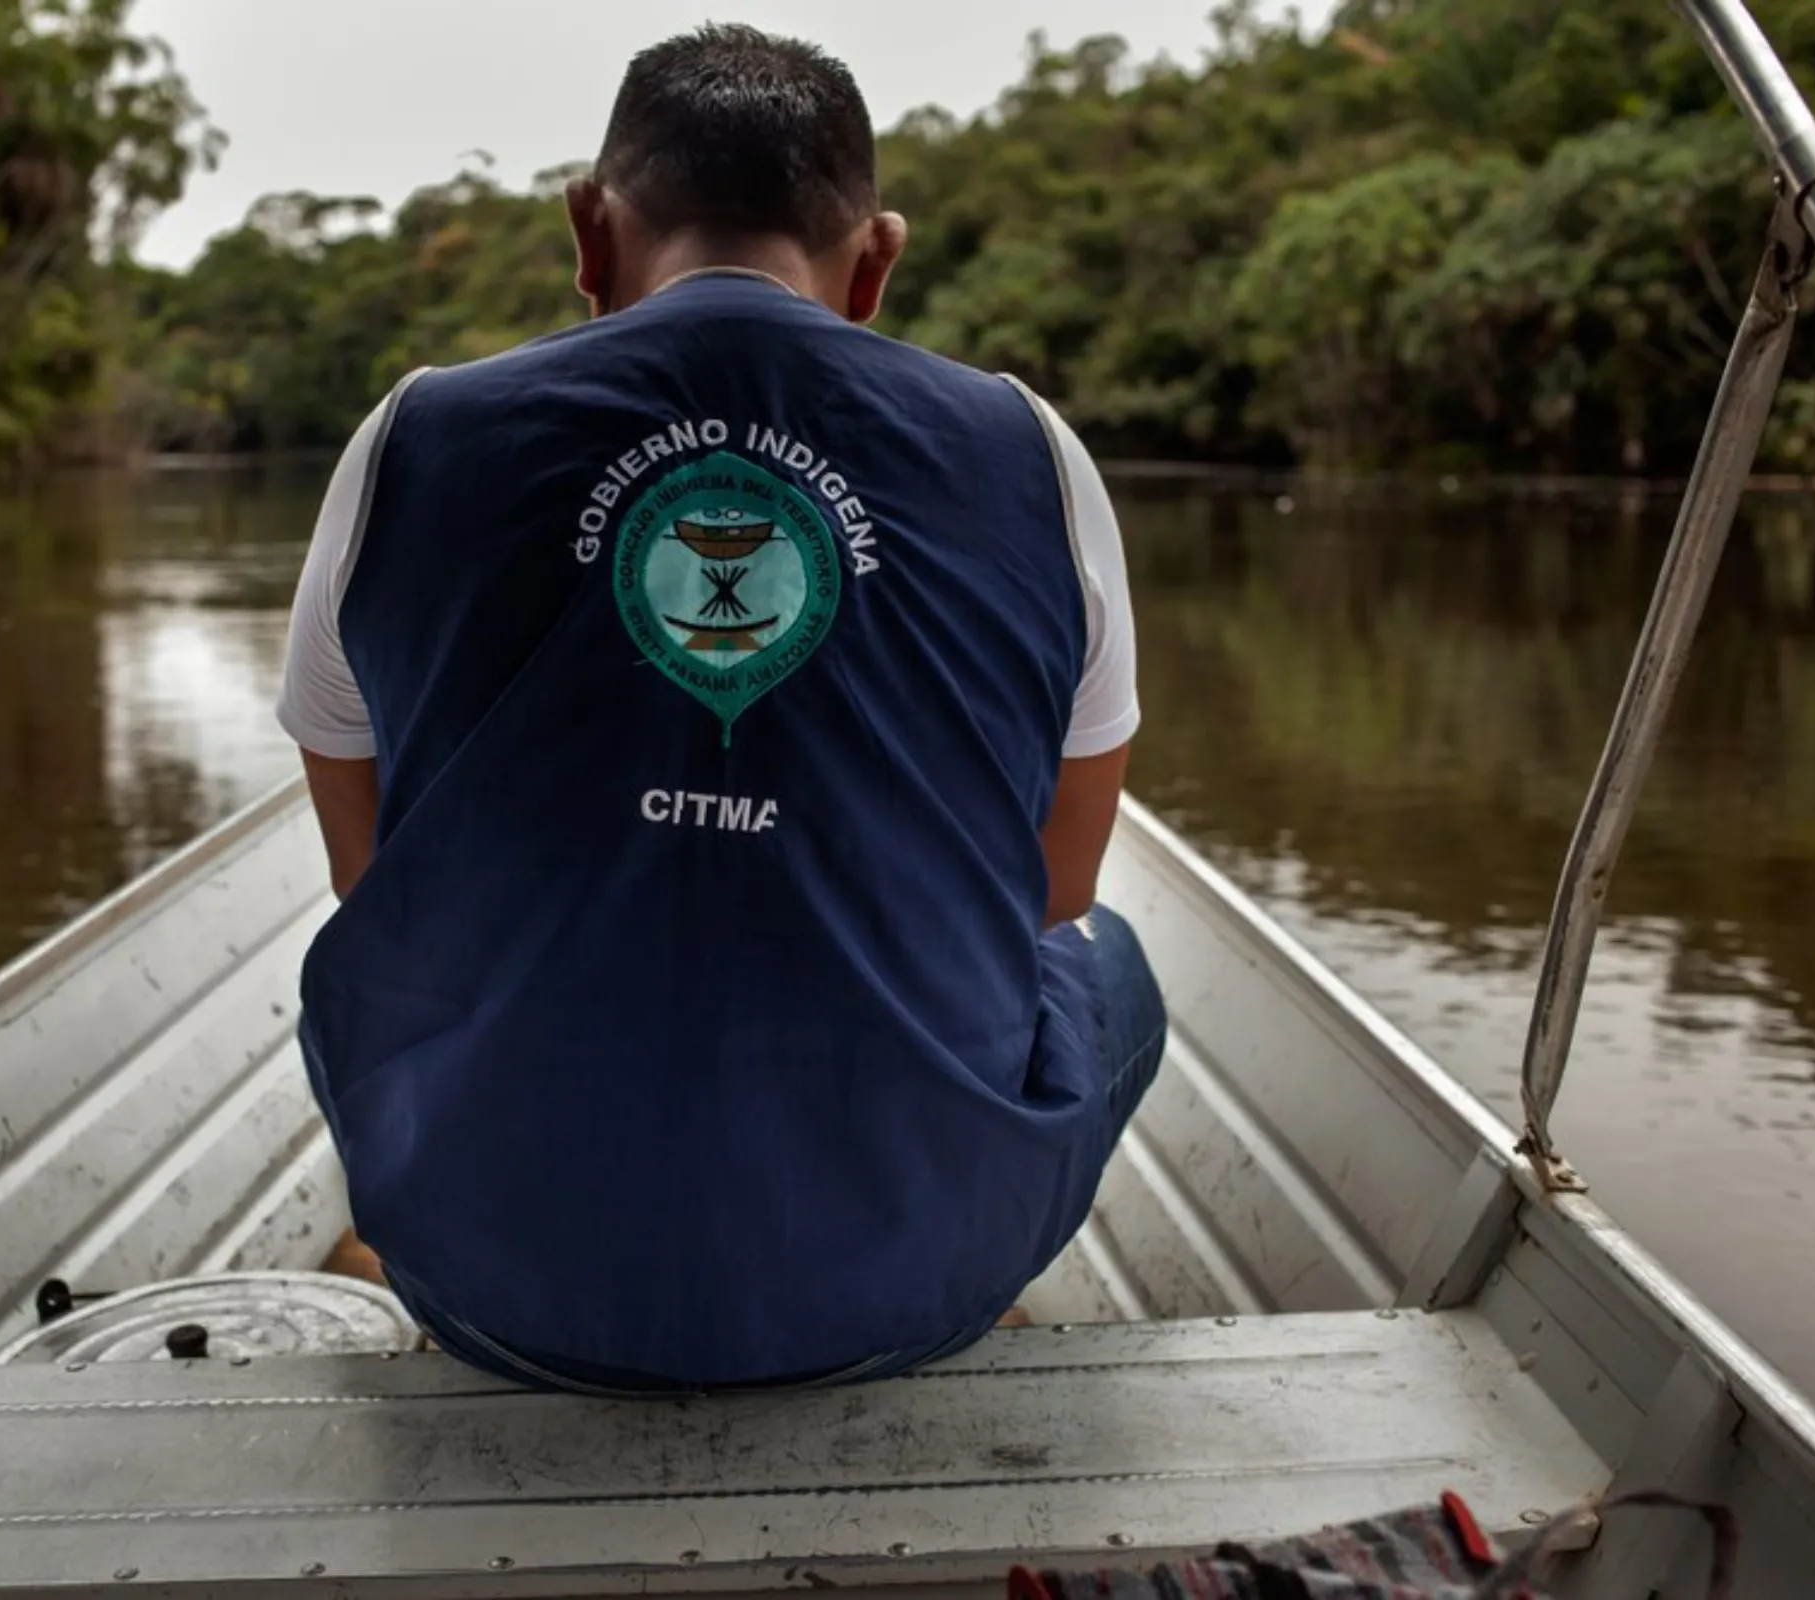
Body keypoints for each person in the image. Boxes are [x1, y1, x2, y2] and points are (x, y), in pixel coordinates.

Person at [275, 23, 1165, 1397]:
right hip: (903, 1296)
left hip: (488, 1283)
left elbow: (369, 876)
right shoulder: (1029, 454)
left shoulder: (412, 436)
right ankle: (928, 1238)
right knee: (1117, 972)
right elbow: (1055, 888)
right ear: (874, 261)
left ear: (589, 234)